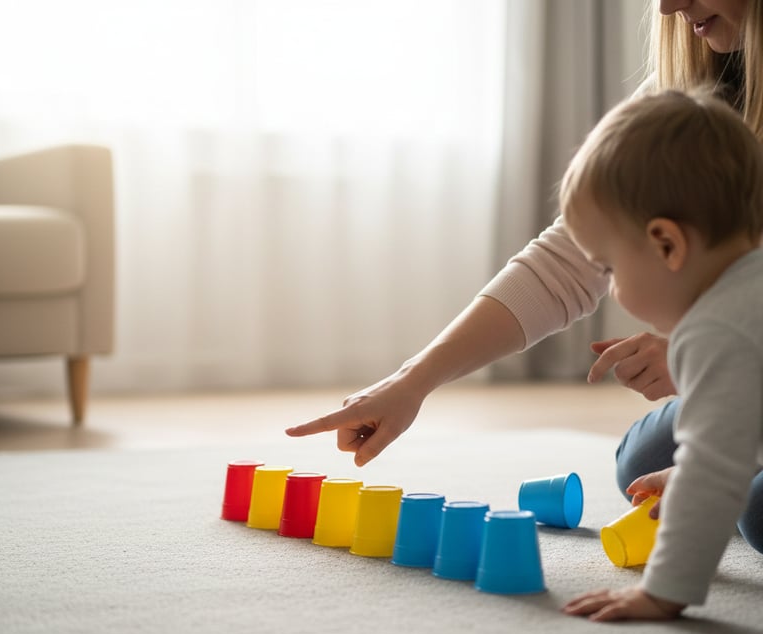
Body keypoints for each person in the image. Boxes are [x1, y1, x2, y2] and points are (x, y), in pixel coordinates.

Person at [286, 1, 763, 545]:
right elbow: (568, 262)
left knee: (758, 512)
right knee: (642, 465)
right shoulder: (697, 86)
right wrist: (412, 383)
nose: (669, 6)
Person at [557, 87, 763, 621]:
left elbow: (716, 468)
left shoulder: (716, 328)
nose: (613, 290)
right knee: (667, 466)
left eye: (609, 269)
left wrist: (662, 592)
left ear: (667, 244)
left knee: (750, 511)